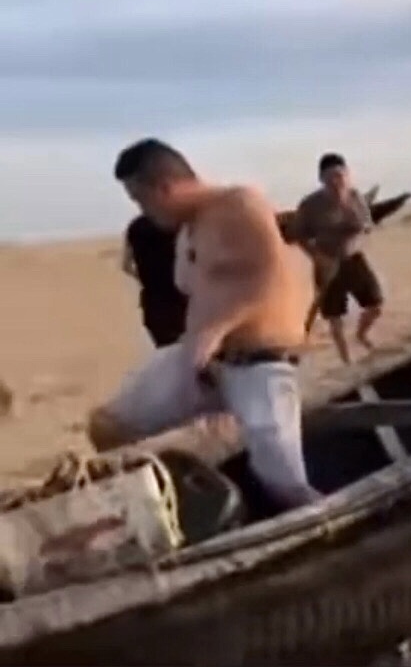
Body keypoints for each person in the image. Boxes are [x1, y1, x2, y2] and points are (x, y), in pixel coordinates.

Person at [88, 138, 321, 509]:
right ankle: (163, 506)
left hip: (259, 365)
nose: (142, 211)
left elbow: (264, 276)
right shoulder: (189, 229)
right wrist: (198, 346)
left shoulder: (240, 204)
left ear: (164, 187)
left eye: (140, 200)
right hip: (203, 361)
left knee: (286, 487)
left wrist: (213, 333)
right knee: (110, 425)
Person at [295, 153, 384, 364]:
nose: (337, 181)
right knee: (335, 316)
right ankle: (346, 358)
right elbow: (299, 235)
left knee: (376, 305)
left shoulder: (356, 198)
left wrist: (361, 227)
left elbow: (367, 225)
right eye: (331, 176)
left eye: (341, 175)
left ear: (348, 175)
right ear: (321, 179)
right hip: (326, 262)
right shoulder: (310, 205)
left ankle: (362, 335)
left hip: (353, 258)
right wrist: (316, 256)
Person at [122, 214, 189, 347]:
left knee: (167, 351)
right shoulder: (178, 224)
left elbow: (126, 266)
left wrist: (145, 278)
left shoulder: (135, 226)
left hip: (153, 303)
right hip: (183, 300)